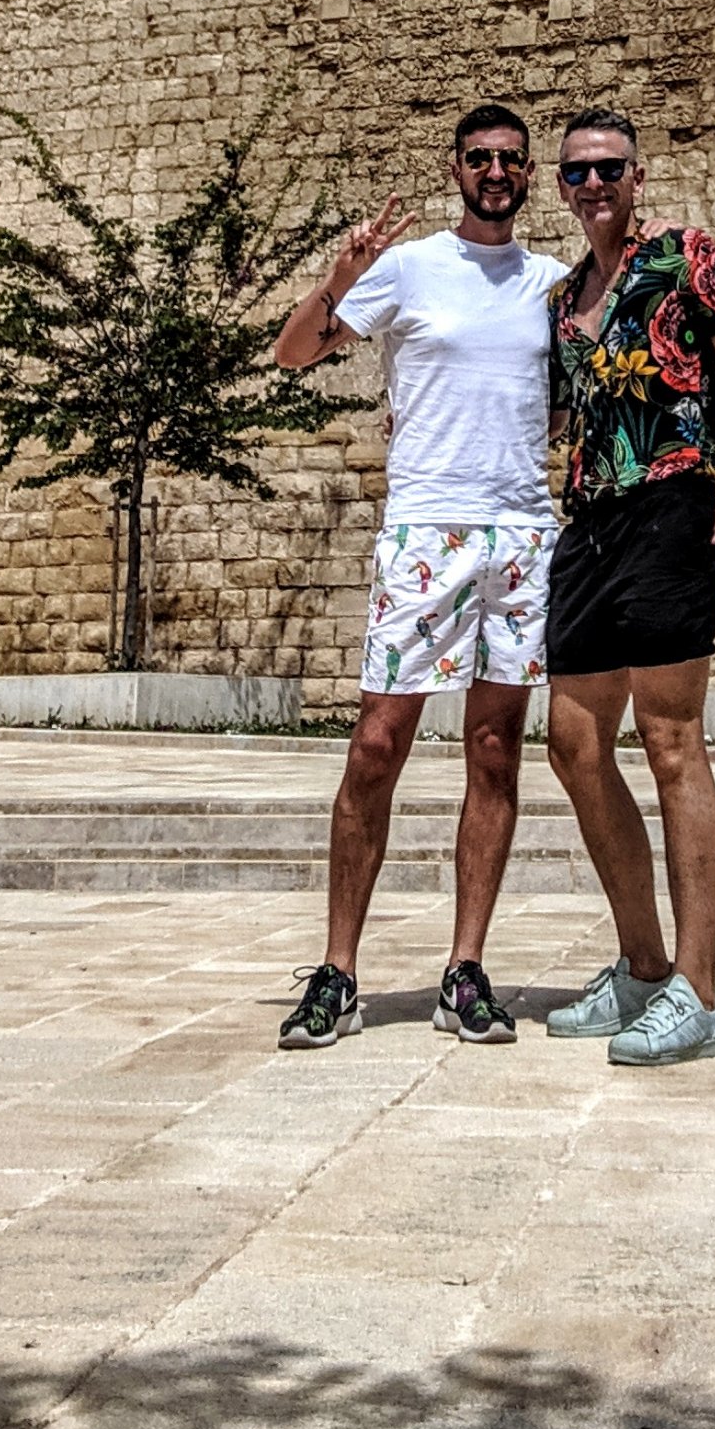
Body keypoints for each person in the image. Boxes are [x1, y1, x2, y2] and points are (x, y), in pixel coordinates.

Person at [270, 103, 566, 1050]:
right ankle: (338, 972)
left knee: (494, 751)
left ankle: (465, 970)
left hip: (519, 535)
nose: (494, 172)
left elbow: (561, 403)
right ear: (456, 168)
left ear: (529, 174)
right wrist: (341, 275)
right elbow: (293, 351)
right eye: (479, 158)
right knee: (375, 744)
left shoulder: (554, 285)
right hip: (426, 530)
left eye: (510, 159)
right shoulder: (407, 267)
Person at [542, 105, 715, 1068]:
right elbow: (556, 412)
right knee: (573, 745)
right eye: (578, 172)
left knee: (672, 741)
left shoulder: (686, 256)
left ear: (638, 177)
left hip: (672, 504)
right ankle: (642, 967)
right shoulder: (565, 298)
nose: (594, 184)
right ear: (563, 187)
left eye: (610, 169)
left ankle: (699, 991)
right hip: (589, 522)